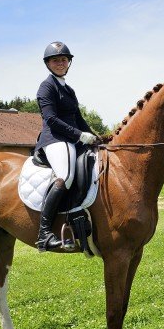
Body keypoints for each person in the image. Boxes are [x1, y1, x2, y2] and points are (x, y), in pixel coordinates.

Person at [34, 41, 98, 252]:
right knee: (66, 174)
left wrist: (96, 137)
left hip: (71, 139)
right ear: (48, 64)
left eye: (64, 60)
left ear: (69, 62)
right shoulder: (47, 87)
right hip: (54, 139)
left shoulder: (68, 89)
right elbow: (51, 119)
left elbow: (78, 119)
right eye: (56, 60)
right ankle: (44, 234)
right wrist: (80, 135)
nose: (60, 63)